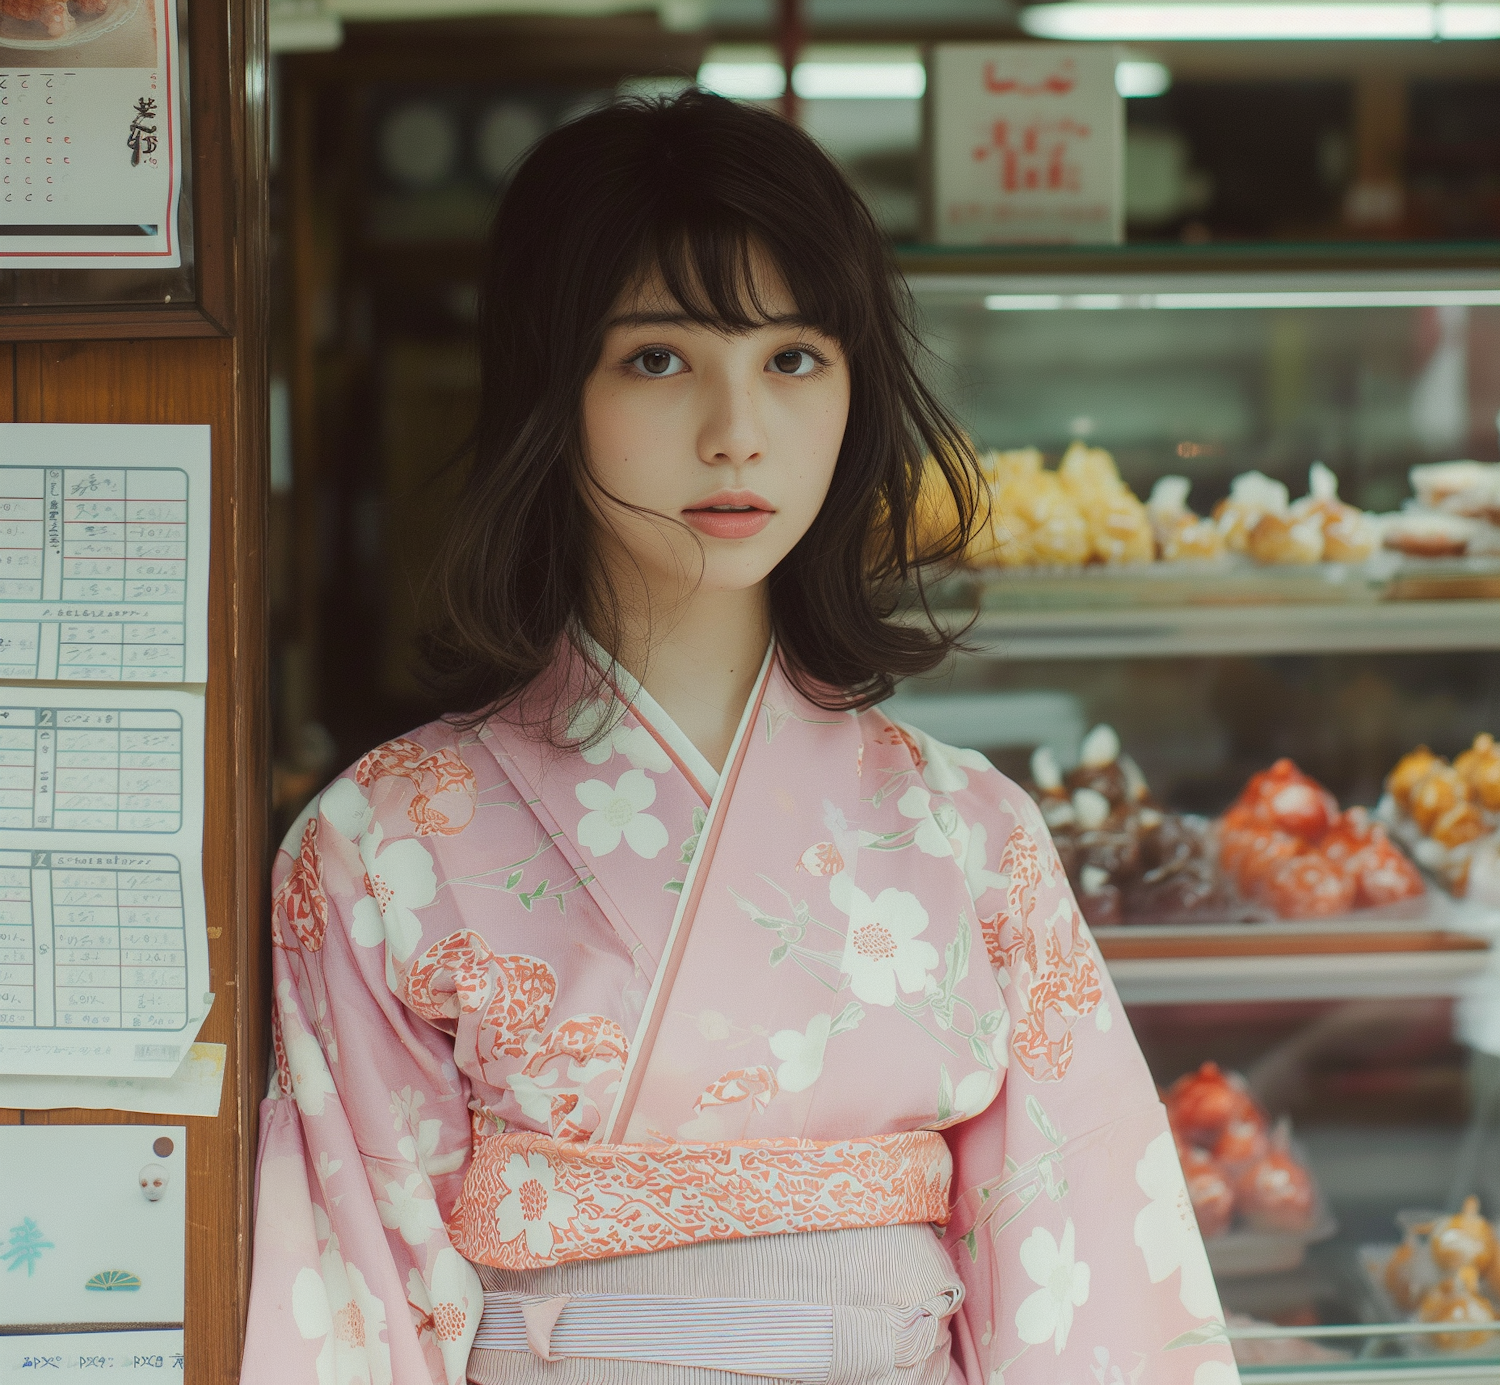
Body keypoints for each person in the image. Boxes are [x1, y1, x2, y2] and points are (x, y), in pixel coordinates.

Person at [242, 91, 1237, 1385]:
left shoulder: (967, 834)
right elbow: (350, 1307)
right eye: (658, 358)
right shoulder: (380, 846)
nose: (737, 429)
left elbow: (1090, 1292)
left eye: (792, 358)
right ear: (556, 386)